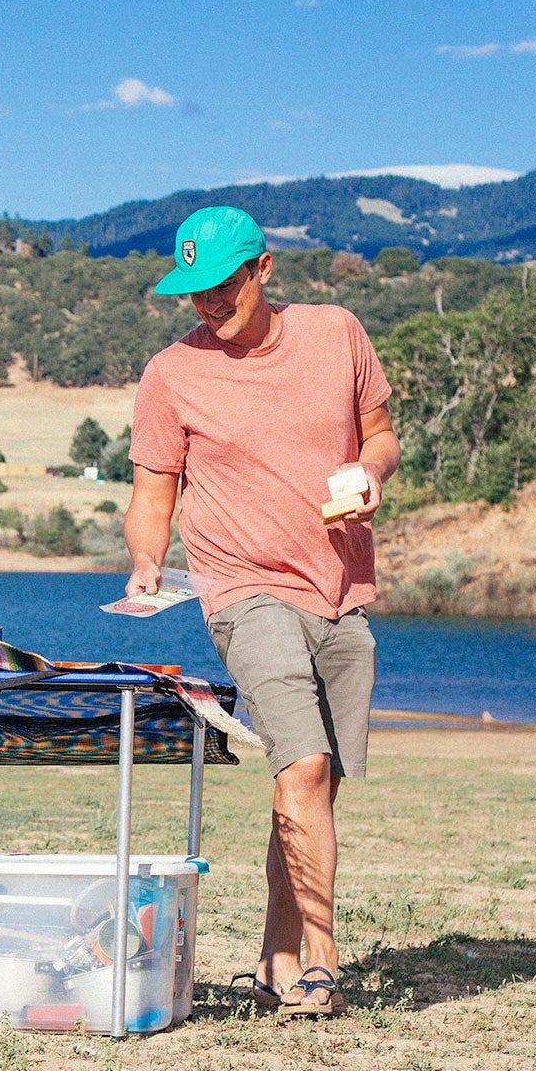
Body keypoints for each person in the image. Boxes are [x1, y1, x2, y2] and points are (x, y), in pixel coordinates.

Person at [124, 206, 401, 1019]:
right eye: (193, 291)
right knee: (303, 768)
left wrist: (370, 474)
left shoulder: (337, 333)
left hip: (341, 590)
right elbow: (153, 493)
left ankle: (276, 960)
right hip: (242, 588)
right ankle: (322, 963)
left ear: (264, 269)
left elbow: (379, 434)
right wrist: (147, 558)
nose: (207, 303)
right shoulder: (171, 373)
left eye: (221, 285)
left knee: (312, 785)